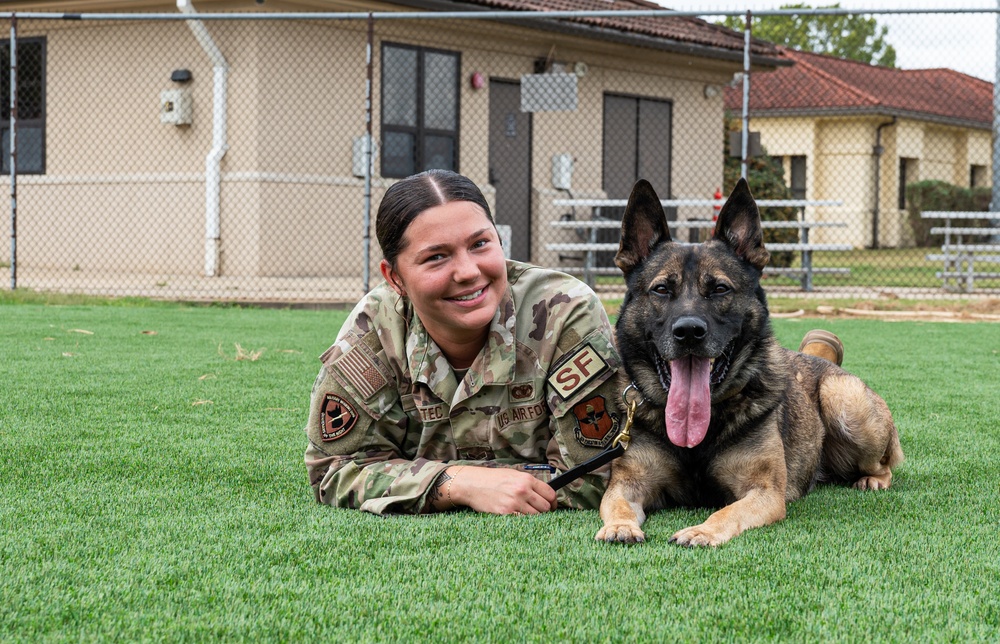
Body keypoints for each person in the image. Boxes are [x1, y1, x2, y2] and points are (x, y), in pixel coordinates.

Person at [303, 169, 624, 516]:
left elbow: (591, 477)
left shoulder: (563, 311)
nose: (468, 271)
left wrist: (415, 476)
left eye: (480, 244)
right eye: (436, 257)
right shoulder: (377, 328)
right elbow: (335, 470)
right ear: (394, 278)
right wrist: (456, 483)